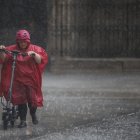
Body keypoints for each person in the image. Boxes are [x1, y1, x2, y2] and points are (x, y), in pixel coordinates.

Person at [0, 29, 48, 128]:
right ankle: (23, 121)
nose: (22, 44)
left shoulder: (34, 49)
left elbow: (40, 60)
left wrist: (34, 55)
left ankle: (33, 114)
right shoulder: (12, 49)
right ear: (17, 41)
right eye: (20, 42)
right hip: (18, 80)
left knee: (32, 100)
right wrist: (2, 50)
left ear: (28, 41)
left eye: (24, 42)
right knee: (21, 101)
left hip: (31, 80)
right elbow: (4, 59)